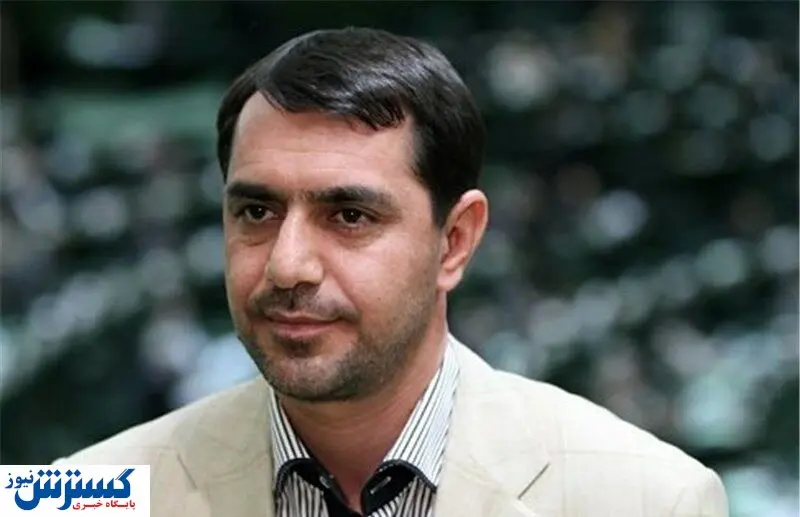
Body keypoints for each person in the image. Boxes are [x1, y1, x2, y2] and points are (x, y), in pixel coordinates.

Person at [56, 27, 729, 517]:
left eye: (349, 215)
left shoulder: (652, 498)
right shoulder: (75, 494)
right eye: (256, 211)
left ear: (455, 242)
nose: (287, 264)